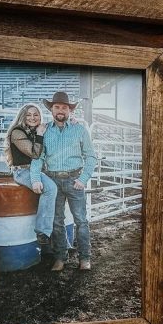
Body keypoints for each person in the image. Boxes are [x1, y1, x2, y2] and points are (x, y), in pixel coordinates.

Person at [31, 91, 97, 272]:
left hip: (74, 179)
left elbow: (91, 157)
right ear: (51, 109)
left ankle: (85, 258)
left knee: (81, 221)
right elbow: (37, 158)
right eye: (57, 107)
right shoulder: (44, 131)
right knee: (57, 221)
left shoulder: (79, 130)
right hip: (52, 181)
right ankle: (60, 257)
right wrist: (35, 179)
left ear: (70, 110)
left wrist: (83, 179)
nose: (60, 110)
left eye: (64, 107)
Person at [2, 103, 58, 245]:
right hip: (22, 171)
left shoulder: (36, 130)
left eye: (36, 114)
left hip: (37, 170)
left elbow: (58, 125)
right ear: (22, 116)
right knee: (50, 188)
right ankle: (43, 231)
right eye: (28, 114)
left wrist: (72, 121)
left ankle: (58, 240)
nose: (32, 118)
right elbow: (34, 153)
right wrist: (40, 134)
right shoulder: (17, 132)